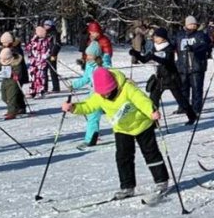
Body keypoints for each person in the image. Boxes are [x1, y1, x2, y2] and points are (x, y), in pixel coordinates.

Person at [62, 68, 169, 200]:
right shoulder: (99, 96)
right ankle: (127, 187)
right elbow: (88, 105)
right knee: (123, 157)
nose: (106, 95)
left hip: (142, 124)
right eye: (103, 93)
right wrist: (73, 107)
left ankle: (161, 181)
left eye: (108, 91)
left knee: (150, 152)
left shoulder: (127, 88)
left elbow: (142, 100)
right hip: (122, 129)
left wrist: (151, 112)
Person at [130, 27, 197, 126]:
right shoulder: (154, 48)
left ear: (163, 38)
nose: (155, 38)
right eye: (155, 36)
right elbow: (144, 59)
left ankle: (192, 116)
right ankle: (154, 122)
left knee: (181, 99)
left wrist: (154, 57)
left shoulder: (169, 48)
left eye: (157, 37)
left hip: (171, 77)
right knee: (153, 100)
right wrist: (136, 54)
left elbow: (167, 62)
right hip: (159, 78)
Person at [70, 41, 111, 145]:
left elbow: (109, 75)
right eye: (87, 55)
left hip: (107, 94)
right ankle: (90, 140)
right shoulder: (89, 65)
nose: (87, 57)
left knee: (116, 114)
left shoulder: (104, 63)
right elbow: (85, 78)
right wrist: (74, 85)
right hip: (94, 94)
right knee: (93, 116)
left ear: (96, 55)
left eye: (90, 55)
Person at [174, 16, 210, 113]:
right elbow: (172, 45)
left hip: (196, 66)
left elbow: (203, 45)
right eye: (190, 24)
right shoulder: (179, 35)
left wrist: (193, 48)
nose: (193, 26)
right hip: (183, 66)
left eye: (194, 24)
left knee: (196, 88)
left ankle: (196, 108)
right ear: (186, 25)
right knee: (183, 88)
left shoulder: (200, 35)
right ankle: (183, 107)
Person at [26, 26, 52, 98]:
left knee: (40, 77)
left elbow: (49, 50)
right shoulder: (34, 40)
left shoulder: (46, 41)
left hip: (41, 61)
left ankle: (40, 91)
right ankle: (32, 90)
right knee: (32, 76)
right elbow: (28, 48)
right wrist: (32, 41)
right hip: (33, 61)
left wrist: (46, 55)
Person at [43, 19, 62, 93]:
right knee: (44, 71)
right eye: (44, 25)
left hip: (52, 55)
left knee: (53, 70)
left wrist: (53, 54)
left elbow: (57, 45)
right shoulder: (44, 33)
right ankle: (44, 88)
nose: (45, 26)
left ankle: (56, 87)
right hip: (44, 55)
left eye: (47, 25)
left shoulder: (54, 34)